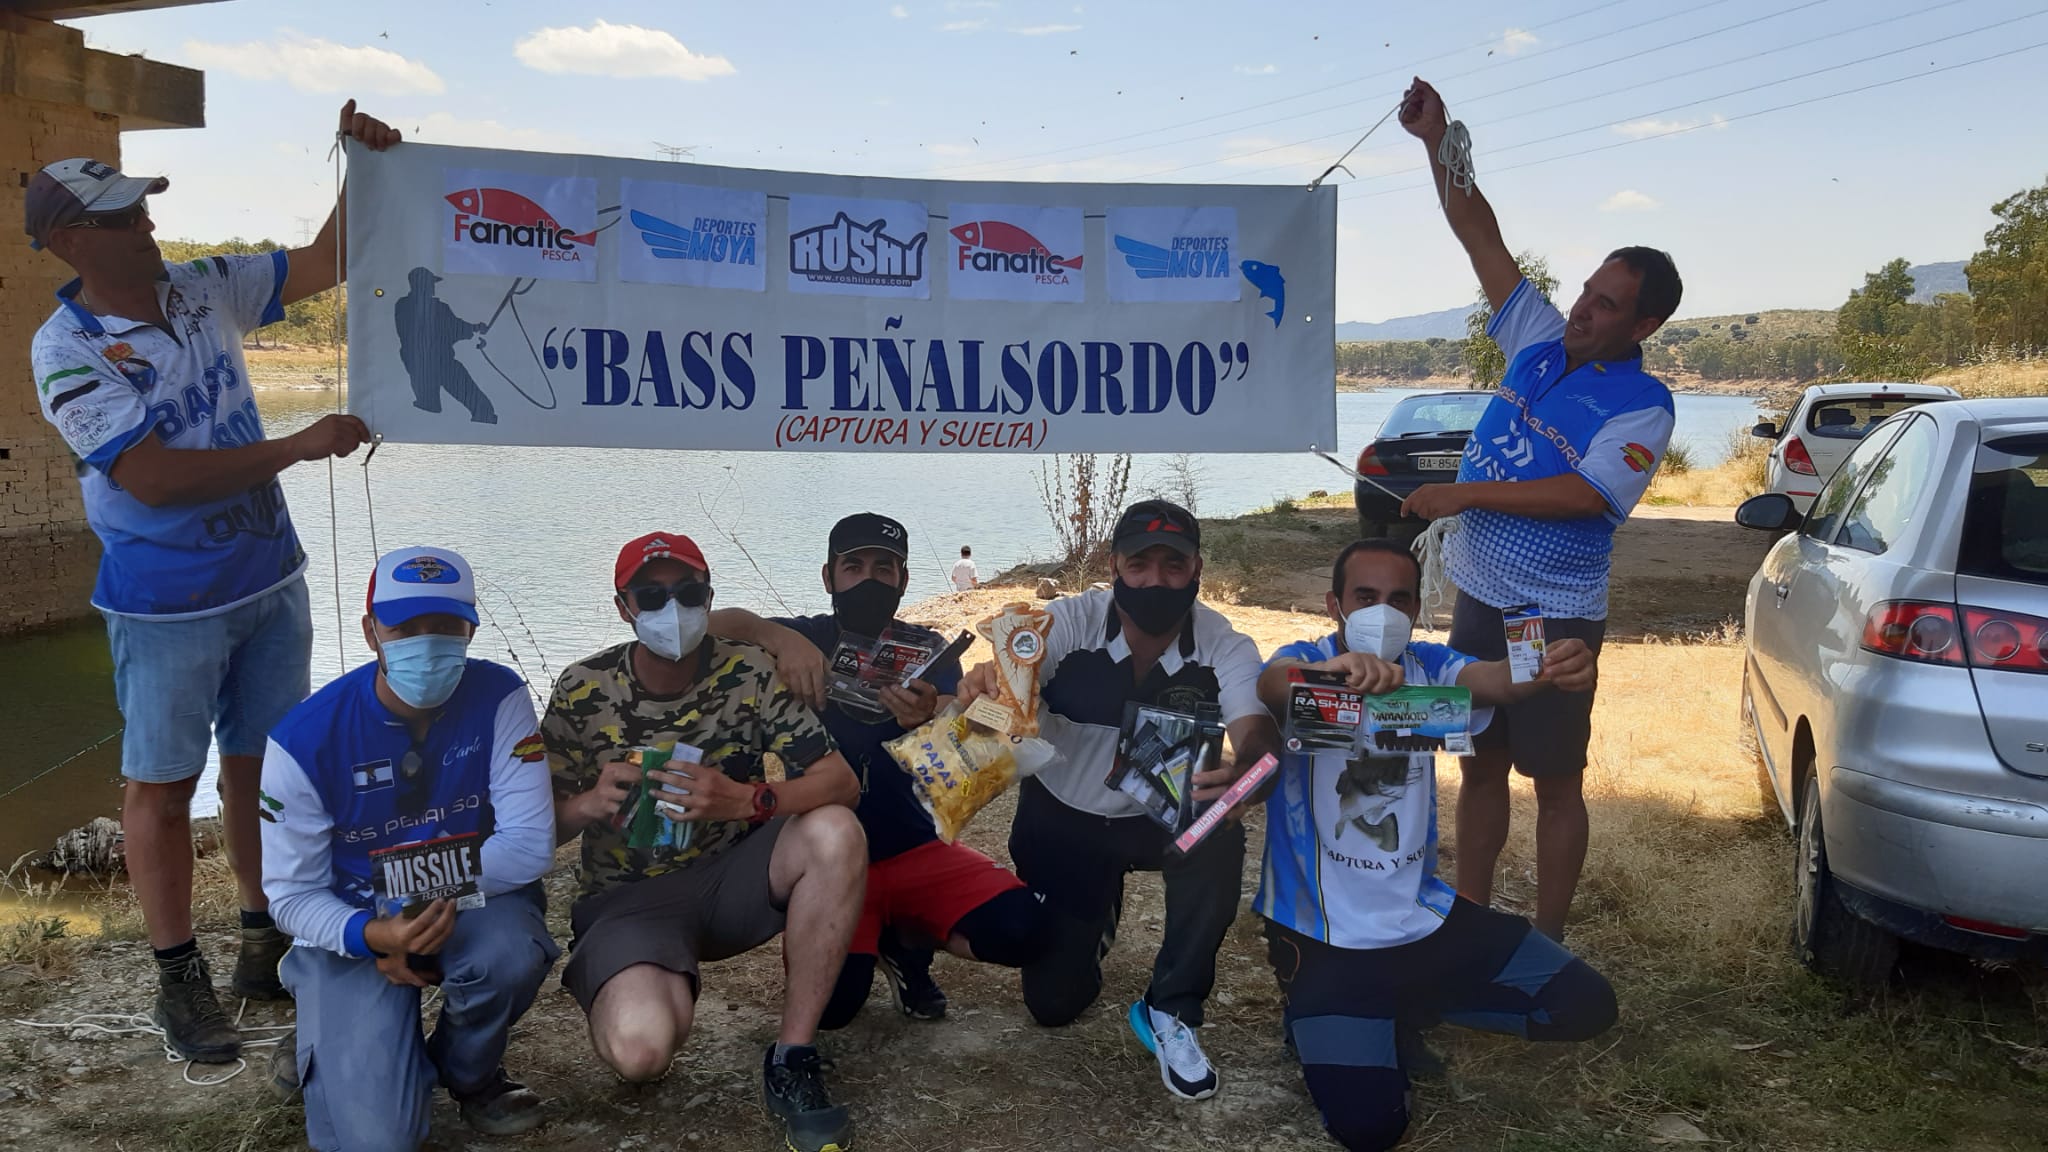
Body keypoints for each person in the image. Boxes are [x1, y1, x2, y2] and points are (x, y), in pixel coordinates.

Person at [24, 100, 397, 1060]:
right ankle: (177, 979)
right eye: (121, 216)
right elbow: (151, 479)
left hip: (270, 582)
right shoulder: (65, 351)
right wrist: (297, 446)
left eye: (143, 206)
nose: (146, 222)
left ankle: (263, 940)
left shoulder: (204, 286)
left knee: (263, 771)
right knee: (160, 784)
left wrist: (363, 165)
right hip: (165, 607)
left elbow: (328, 261)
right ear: (70, 241)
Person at [1396, 77, 1682, 939]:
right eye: (1587, 291)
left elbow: (1587, 495)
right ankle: (1469, 924)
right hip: (1480, 600)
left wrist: (1462, 491)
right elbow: (1479, 234)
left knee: (1554, 781)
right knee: (1479, 765)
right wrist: (1436, 142)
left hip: (1553, 616)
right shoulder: (1537, 338)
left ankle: (1547, 943)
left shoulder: (1645, 405)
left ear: (1643, 326)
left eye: (1605, 304)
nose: (1583, 310)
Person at [1254, 539, 1618, 1151]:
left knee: (1585, 1006)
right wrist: (1333, 676)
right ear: (1334, 605)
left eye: (1399, 599)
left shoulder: (1428, 664)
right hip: (1324, 935)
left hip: (1422, 917)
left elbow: (1497, 681)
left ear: (1417, 608)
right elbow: (1272, 686)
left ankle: (1409, 1001)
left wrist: (1553, 664)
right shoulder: (1303, 660)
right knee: (1372, 1130)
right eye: (1365, 597)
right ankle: (1319, 1014)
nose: (1383, 612)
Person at [544, 532, 867, 1152]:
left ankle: (793, 1057)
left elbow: (841, 783)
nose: (672, 609)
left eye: (689, 593)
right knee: (640, 1054)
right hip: (628, 901)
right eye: (651, 596)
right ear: (623, 607)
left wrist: (748, 799)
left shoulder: (749, 671)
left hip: (731, 880)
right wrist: (587, 805)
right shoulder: (583, 689)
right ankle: (648, 979)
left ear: (709, 597)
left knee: (835, 830)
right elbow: (538, 828)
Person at [959, 499, 1281, 1101]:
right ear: (1113, 566)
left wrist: (1244, 778)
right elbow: (1000, 698)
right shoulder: (1063, 622)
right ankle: (1094, 912)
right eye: (1139, 564)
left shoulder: (1225, 643)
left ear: (1197, 569)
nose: (1155, 580)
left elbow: (1259, 741)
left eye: (1173, 565)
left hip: (1162, 812)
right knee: (1055, 1005)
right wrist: (983, 695)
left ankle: (1172, 1007)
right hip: (1064, 818)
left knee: (1218, 830)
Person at [259, 547, 558, 1149]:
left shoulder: (501, 697)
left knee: (511, 954)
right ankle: (335, 1026)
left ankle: (468, 1073)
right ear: (371, 631)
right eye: (405, 627)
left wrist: (407, 902)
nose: (428, 643)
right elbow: (290, 896)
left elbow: (529, 848)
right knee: (381, 1141)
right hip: (352, 919)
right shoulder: (301, 740)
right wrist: (374, 933)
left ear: (471, 629)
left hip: (466, 904)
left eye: (446, 625)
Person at [709, 513, 1046, 1026]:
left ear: (903, 580)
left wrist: (933, 711)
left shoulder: (931, 652)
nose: (869, 580)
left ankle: (906, 943)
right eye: (854, 567)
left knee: (1024, 930)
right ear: (829, 577)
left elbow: (969, 725)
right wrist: (775, 636)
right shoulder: (804, 638)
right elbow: (707, 628)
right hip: (832, 863)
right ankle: (872, 941)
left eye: (884, 569)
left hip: (917, 846)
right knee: (833, 1009)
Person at [394, 266, 496, 423]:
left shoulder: (406, 305)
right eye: (430, 283)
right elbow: (453, 328)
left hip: (425, 364)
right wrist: (474, 328)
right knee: (432, 408)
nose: (433, 287)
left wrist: (473, 328)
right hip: (435, 365)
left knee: (431, 407)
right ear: (421, 285)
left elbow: (453, 327)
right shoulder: (423, 307)